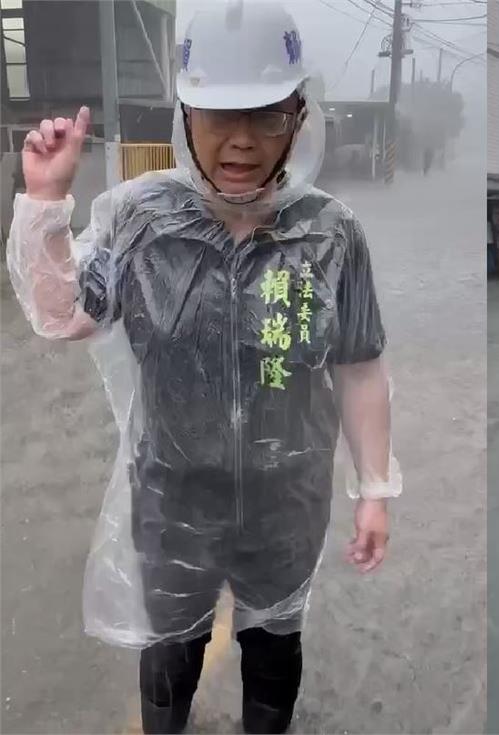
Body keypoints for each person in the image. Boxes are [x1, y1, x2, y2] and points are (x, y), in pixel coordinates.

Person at [7, 4, 402, 733]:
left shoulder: (332, 232)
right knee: (171, 655)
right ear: (185, 115)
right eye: (220, 116)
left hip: (287, 505)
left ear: (299, 113)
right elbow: (65, 314)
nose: (243, 141)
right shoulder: (139, 217)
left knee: (274, 646)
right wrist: (45, 201)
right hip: (173, 504)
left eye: (267, 114)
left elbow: (360, 366)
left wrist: (374, 487)